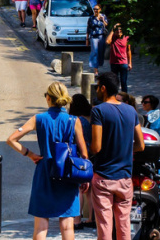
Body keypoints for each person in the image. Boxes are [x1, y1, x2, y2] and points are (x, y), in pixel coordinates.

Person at [7, 82, 88, 240]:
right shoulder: (74, 120)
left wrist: (30, 154)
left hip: (44, 173)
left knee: (40, 226)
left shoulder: (38, 119)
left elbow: (11, 140)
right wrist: (84, 178)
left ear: (48, 98)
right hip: (68, 174)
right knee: (67, 225)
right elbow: (84, 153)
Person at [90, 72, 145, 240]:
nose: (97, 90)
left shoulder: (98, 111)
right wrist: (125, 149)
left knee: (105, 225)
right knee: (123, 224)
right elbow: (141, 145)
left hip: (104, 176)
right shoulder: (131, 111)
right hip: (125, 178)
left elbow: (96, 147)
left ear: (103, 88)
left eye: (97, 87)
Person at [70, 93, 94, 230]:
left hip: (81, 156)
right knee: (89, 190)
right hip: (92, 155)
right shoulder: (91, 118)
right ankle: (91, 218)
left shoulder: (78, 120)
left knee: (79, 188)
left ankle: (77, 220)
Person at [105, 23, 131, 93]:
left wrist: (130, 63)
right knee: (114, 82)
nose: (119, 31)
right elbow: (107, 41)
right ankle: (114, 95)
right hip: (114, 63)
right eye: (117, 30)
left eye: (120, 29)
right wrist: (112, 30)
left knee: (123, 82)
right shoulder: (113, 37)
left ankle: (124, 96)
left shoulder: (126, 37)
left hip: (123, 63)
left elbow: (128, 50)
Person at [86, 5, 109, 75]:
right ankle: (95, 69)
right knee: (95, 52)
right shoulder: (91, 18)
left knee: (101, 52)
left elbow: (106, 25)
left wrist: (103, 20)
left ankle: (98, 64)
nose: (95, 10)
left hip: (101, 36)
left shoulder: (103, 16)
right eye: (94, 9)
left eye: (97, 9)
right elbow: (88, 28)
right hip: (93, 36)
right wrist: (87, 39)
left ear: (100, 9)